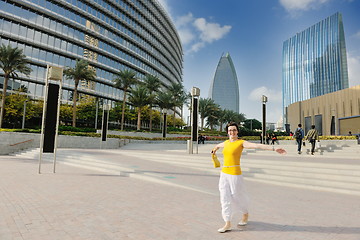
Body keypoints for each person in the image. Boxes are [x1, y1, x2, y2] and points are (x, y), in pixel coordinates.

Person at [211, 122, 287, 233]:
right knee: (224, 197)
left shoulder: (241, 143)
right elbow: (217, 146)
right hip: (224, 174)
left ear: (237, 131)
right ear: (227, 132)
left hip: (235, 174)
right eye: (230, 130)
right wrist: (214, 150)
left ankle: (245, 213)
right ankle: (227, 222)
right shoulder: (225, 143)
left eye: (234, 130)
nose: (232, 132)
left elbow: (256, 145)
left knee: (237, 196)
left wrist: (273, 148)